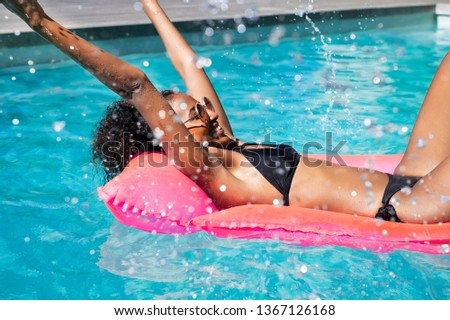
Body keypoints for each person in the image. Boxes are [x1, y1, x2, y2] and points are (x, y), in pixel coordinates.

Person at [2, 0, 449, 224]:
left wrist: (149, 3)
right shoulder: (218, 176)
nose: (210, 114)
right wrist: (42, 25)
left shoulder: (229, 146)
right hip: (408, 206)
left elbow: (186, 64)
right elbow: (136, 83)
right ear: (168, 136)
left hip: (413, 175)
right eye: (194, 116)